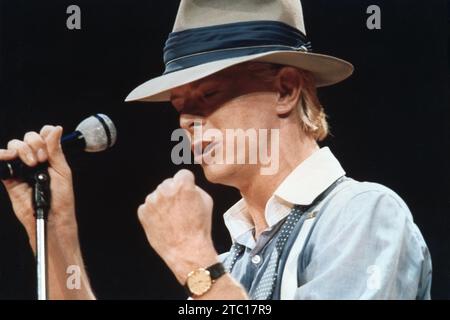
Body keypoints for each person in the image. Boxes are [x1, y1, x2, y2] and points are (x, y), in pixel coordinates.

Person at [0, 0, 431, 299]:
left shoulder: (363, 214)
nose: (187, 121)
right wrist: (55, 231)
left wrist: (195, 263)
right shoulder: (232, 263)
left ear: (285, 89)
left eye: (207, 95)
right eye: (179, 106)